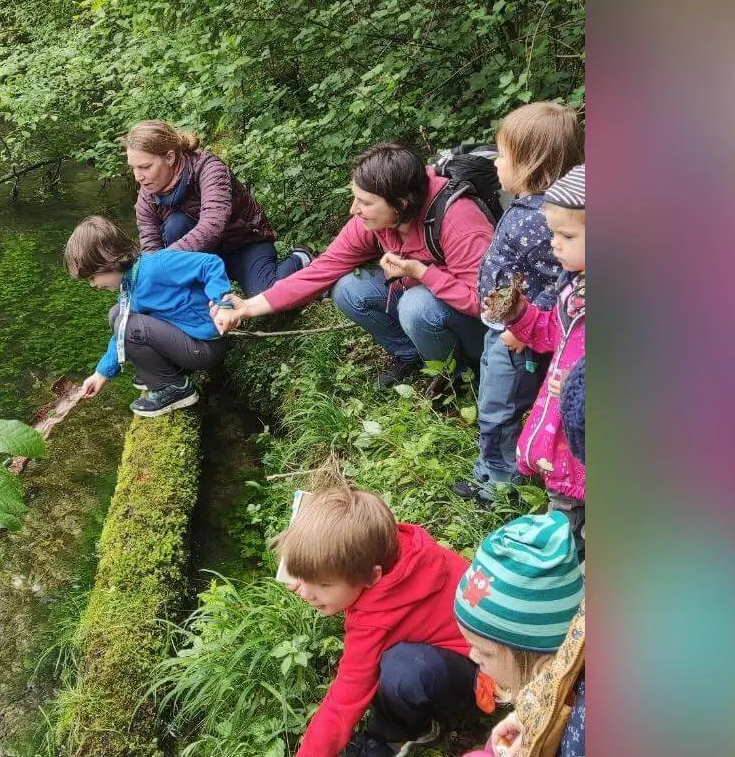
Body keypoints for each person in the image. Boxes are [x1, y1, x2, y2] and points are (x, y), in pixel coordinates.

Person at [210, 142, 493, 391]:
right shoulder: (374, 221)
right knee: (348, 289)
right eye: (355, 197)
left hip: (481, 328)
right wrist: (248, 307)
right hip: (431, 301)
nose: (353, 210)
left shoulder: (459, 219)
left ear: (401, 204)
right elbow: (322, 270)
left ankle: (456, 378)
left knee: (416, 304)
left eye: (365, 202)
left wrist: (422, 273)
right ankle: (413, 356)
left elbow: (485, 303)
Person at [275, 485, 487, 757]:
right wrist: (306, 573)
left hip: (483, 675)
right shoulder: (398, 546)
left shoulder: (373, 622)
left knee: (402, 670)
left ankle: (395, 735)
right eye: (300, 579)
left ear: (372, 577)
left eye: (323, 584)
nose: (303, 592)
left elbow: (346, 697)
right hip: (490, 645)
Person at [454, 102, 583, 505]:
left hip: (517, 337)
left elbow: (552, 282)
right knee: (501, 401)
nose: (495, 164)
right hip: (510, 326)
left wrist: (520, 328)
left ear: (531, 163)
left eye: (504, 156)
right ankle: (503, 469)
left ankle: (498, 482)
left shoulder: (540, 220)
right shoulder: (533, 209)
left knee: (499, 406)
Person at [481, 165, 586, 548]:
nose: (554, 244)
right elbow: (555, 337)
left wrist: (580, 381)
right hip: (566, 428)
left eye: (567, 235)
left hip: (585, 426)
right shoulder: (574, 288)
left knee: (569, 523)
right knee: (566, 507)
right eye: (553, 232)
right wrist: (520, 314)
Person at [65, 216, 230, 417]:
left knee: (131, 325)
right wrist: (101, 374)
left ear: (110, 258)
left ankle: (173, 389)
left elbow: (209, 264)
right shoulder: (129, 285)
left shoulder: (157, 266)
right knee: (116, 314)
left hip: (205, 345)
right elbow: (120, 333)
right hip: (185, 342)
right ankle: (161, 371)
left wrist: (222, 304)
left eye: (92, 277)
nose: (93, 285)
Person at [127, 120, 311, 297]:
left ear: (169, 157)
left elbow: (213, 225)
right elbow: (151, 247)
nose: (138, 177)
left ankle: (300, 258)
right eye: (134, 168)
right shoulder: (147, 197)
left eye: (145, 167)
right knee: (176, 225)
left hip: (244, 244)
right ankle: (201, 293)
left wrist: (165, 260)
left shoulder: (208, 168)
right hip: (203, 255)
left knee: (266, 294)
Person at [453, 513, 585, 757]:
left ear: (542, 665)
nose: (472, 655)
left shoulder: (582, 739)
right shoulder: (555, 679)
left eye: (485, 652)